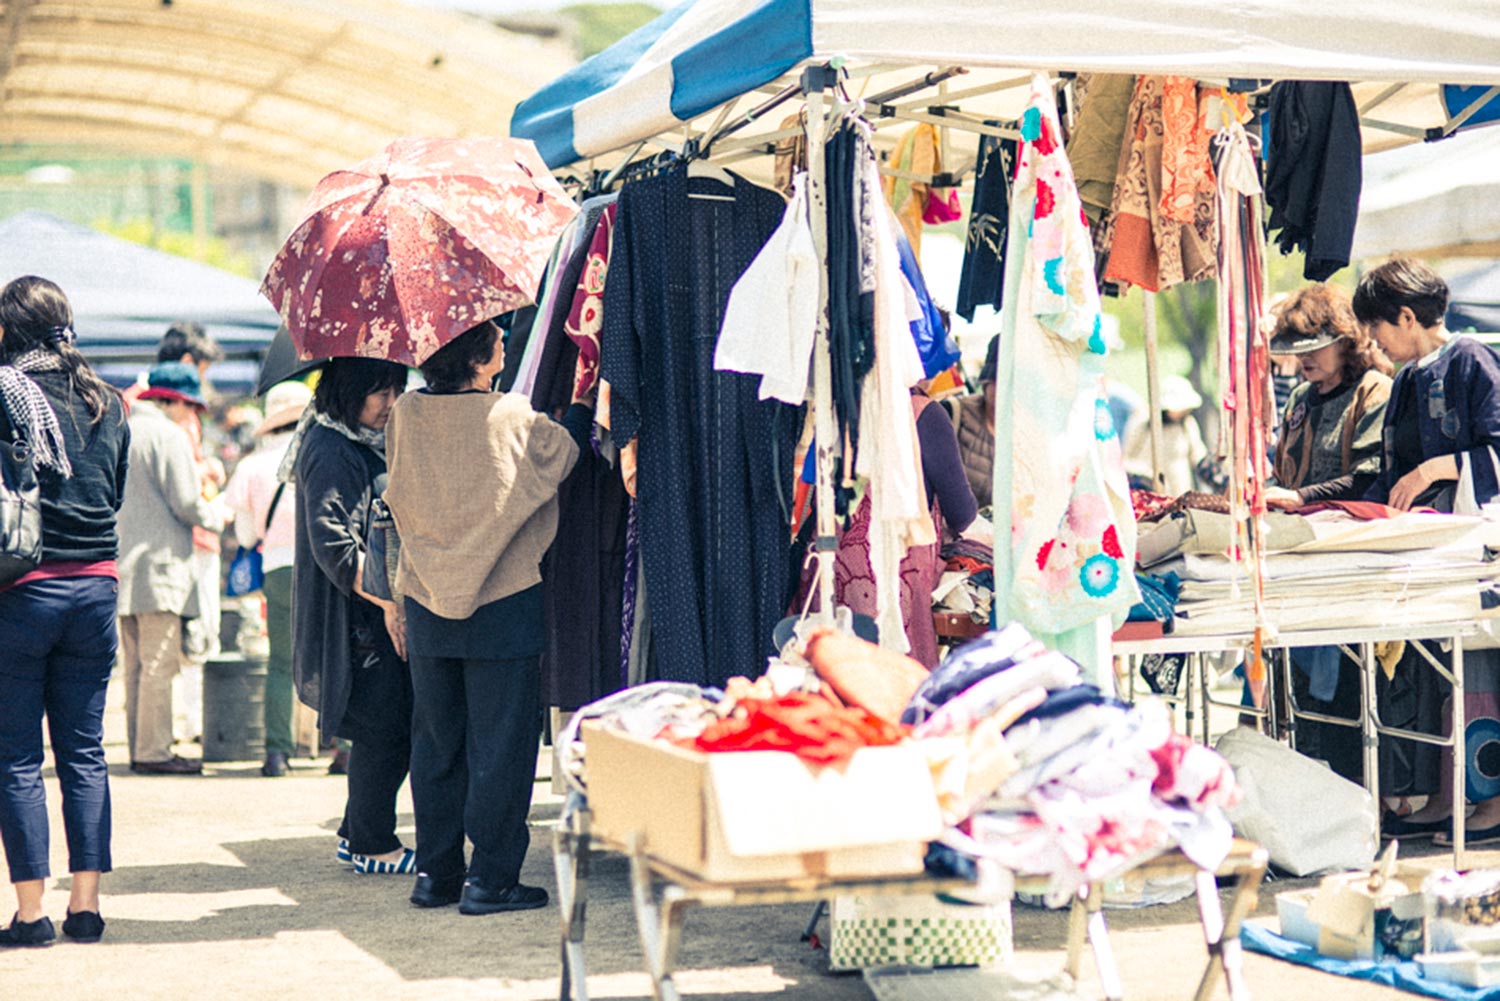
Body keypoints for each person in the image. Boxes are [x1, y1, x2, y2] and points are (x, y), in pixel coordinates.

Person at [384, 319, 590, 914]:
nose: (505, 340)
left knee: (437, 745)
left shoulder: (404, 414)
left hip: (426, 602)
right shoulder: (511, 416)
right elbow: (565, 453)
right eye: (497, 336)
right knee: (501, 747)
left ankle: (436, 875)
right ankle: (492, 879)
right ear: (479, 356)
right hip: (503, 602)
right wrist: (580, 402)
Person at [0, 276, 129, 947]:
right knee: (84, 752)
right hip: (97, 590)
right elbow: (116, 492)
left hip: (22, 591)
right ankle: (86, 906)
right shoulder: (106, 400)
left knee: (17, 757)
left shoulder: (5, 393)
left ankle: (30, 915)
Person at [1355, 257, 1500, 842]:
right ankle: (1449, 792)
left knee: (1480, 669)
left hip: (1475, 550)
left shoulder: (1472, 360)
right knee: (1442, 676)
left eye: (1378, 329)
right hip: (1429, 552)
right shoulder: (1410, 379)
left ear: (1408, 317)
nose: (1373, 343)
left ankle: (1490, 801)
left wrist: (1440, 467)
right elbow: (1393, 470)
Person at [1259, 284, 1393, 784]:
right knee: (1296, 696)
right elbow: (1284, 468)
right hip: (1297, 557)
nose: (1303, 361)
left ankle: (1364, 796)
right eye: (1295, 353)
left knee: (1348, 696)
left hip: (1351, 560)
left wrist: (1301, 498)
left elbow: (1370, 474)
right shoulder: (1298, 398)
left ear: (1345, 340)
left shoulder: (1374, 389)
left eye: (1313, 348)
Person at [288, 358, 415, 874]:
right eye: (377, 393)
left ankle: (355, 833)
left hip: (370, 609)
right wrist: (389, 602)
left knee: (386, 725)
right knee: (384, 728)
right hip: (356, 618)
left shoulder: (357, 441)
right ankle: (371, 844)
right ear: (348, 392)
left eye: (395, 391)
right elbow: (334, 544)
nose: (389, 405)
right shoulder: (331, 447)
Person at [116, 362, 226, 775]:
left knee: (135, 668)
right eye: (191, 407)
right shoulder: (168, 435)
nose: (193, 415)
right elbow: (188, 503)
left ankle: (139, 746)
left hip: (122, 563)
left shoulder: (122, 430)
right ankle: (155, 752)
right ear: (174, 401)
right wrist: (219, 514)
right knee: (160, 663)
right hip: (161, 567)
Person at [222, 380, 312, 778]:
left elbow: (244, 536)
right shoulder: (320, 453)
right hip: (324, 565)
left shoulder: (252, 465)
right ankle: (345, 749)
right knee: (336, 655)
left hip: (276, 567)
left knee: (280, 662)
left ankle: (277, 752)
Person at [1123, 375, 1208, 496]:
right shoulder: (1142, 421)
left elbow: (1198, 455)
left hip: (1179, 494)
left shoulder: (1187, 423)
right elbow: (1126, 459)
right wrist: (1145, 474)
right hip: (1149, 494)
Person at [941, 334, 997, 511]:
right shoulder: (953, 413)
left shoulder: (1033, 434)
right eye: (997, 381)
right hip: (956, 534)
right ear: (986, 382)